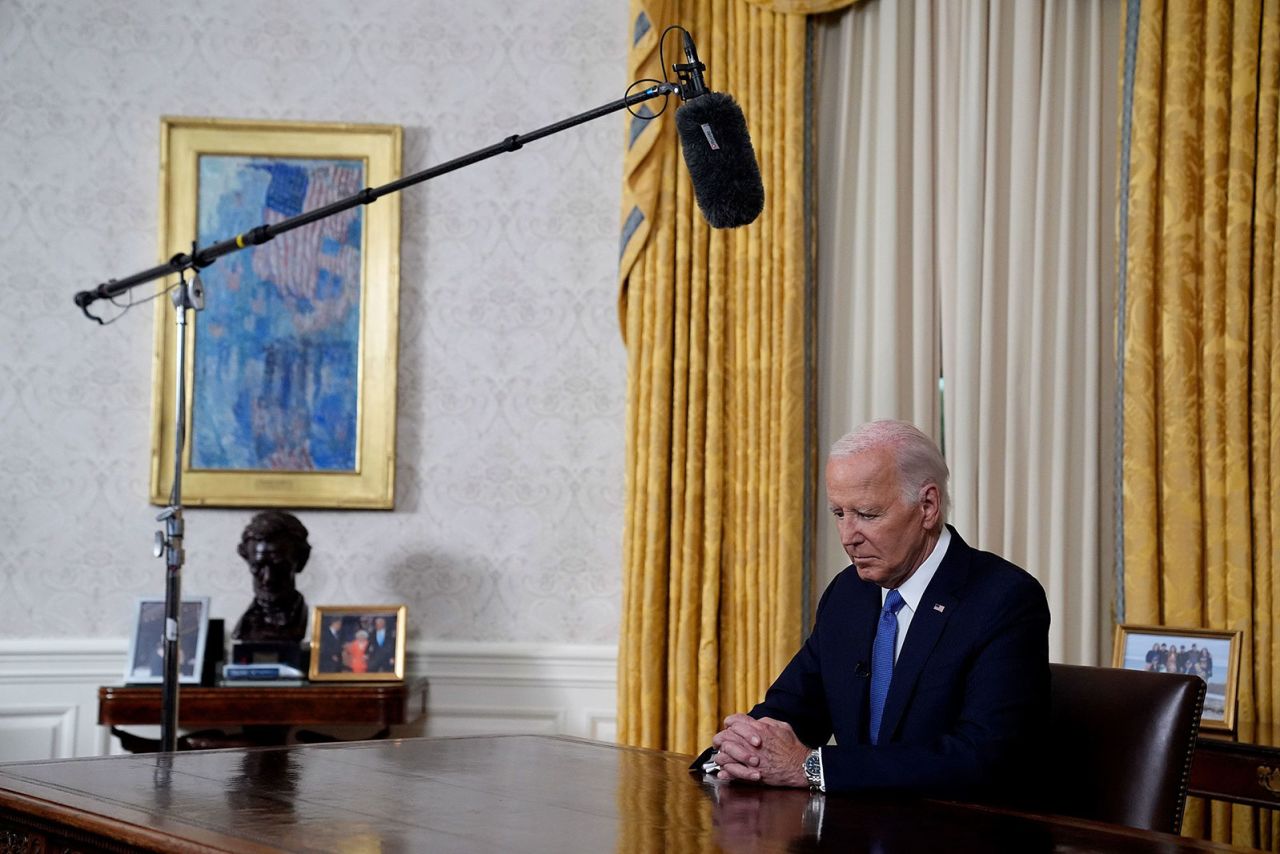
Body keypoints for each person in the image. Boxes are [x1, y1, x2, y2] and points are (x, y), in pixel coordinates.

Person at [700, 419, 1050, 801]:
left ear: (928, 506)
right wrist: (735, 753)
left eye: (867, 514)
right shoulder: (848, 594)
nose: (848, 536)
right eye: (839, 514)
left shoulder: (1004, 598)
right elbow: (790, 710)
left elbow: (982, 757)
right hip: (855, 829)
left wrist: (812, 767)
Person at [231, 510, 312, 643]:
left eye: (279, 567)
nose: (268, 578)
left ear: (301, 561)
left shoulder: (308, 622)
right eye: (258, 566)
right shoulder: (245, 627)